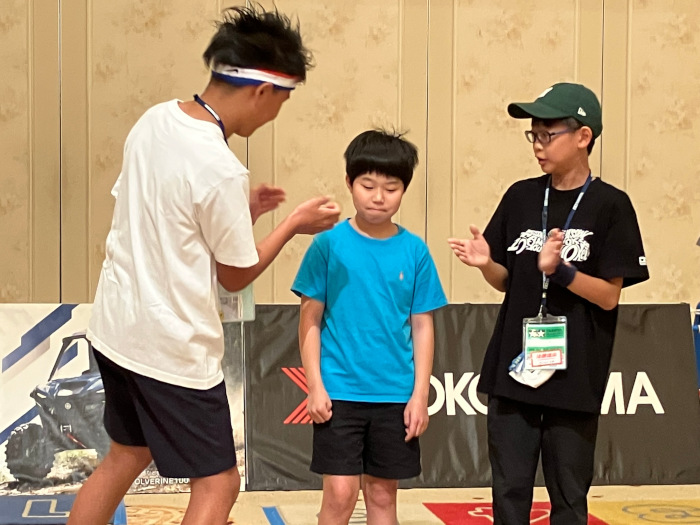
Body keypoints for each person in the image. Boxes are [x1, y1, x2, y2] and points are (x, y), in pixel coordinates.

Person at [67, 6, 340, 525]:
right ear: (263, 91)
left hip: (115, 330)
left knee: (126, 454)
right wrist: (292, 225)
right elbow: (233, 275)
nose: (275, 115)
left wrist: (242, 212)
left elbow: (161, 216)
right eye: (282, 102)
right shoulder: (220, 168)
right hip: (171, 348)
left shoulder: (153, 121)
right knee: (219, 482)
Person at [448, 82, 649, 525]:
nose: (538, 145)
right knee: (509, 492)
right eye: (533, 135)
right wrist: (485, 264)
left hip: (575, 376)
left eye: (548, 134)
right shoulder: (521, 196)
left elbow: (609, 296)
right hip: (514, 369)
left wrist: (561, 272)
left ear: (583, 136)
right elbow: (507, 281)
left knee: (569, 499)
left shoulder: (611, 205)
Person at [292, 130, 447, 525]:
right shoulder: (328, 246)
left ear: (404, 190)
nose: (379, 197)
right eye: (368, 185)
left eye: (391, 188)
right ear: (349, 183)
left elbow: (422, 325)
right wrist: (315, 386)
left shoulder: (415, 251)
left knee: (381, 495)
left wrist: (419, 395)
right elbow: (309, 319)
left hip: (395, 395)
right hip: (339, 393)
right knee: (340, 495)